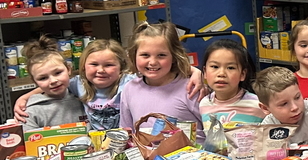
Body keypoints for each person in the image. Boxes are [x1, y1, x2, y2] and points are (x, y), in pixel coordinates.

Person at [14, 40, 204, 131]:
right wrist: (24, 97)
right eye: (94, 65)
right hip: (96, 146)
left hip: (126, 140)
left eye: (109, 65)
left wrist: (195, 71)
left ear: (121, 68)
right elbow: (54, 83)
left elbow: (155, 70)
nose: (101, 70)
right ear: (81, 68)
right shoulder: (78, 84)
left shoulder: (129, 83)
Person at [119, 22, 203, 135]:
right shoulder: (130, 89)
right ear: (134, 56)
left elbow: (214, 131)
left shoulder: (191, 88)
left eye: (161, 55)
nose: (153, 62)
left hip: (193, 152)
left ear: (174, 56)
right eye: (145, 55)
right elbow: (126, 132)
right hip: (146, 152)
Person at [20, 36, 86, 130]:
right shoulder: (31, 112)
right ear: (35, 81)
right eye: (43, 78)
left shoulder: (86, 97)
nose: (53, 81)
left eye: (58, 73)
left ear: (68, 69)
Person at [198, 39, 264, 131]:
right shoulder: (204, 104)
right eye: (215, 67)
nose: (221, 73)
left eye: (230, 68)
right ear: (205, 72)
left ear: (242, 74)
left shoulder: (258, 105)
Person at [254, 66, 308, 146]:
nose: (295, 107)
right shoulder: (266, 128)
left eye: (297, 97)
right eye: (284, 104)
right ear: (265, 108)